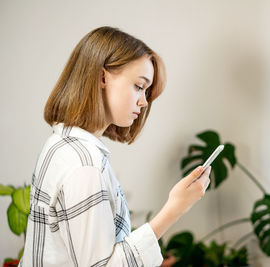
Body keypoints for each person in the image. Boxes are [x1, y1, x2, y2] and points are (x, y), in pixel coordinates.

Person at [19, 26, 211, 267]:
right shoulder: (85, 164)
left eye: (146, 91)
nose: (143, 101)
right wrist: (174, 209)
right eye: (139, 86)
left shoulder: (59, 143)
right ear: (102, 77)